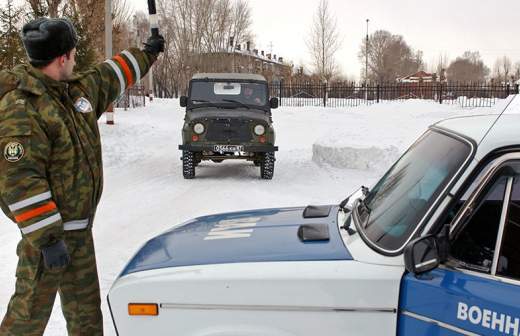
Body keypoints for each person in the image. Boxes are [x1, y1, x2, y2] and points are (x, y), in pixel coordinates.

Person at [0, 17, 164, 335]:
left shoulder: (73, 93)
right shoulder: (22, 107)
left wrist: (148, 53)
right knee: (26, 321)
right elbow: (19, 180)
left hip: (78, 236)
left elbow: (110, 75)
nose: (76, 59)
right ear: (62, 57)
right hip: (46, 242)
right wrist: (48, 240)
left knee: (87, 320)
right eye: (73, 54)